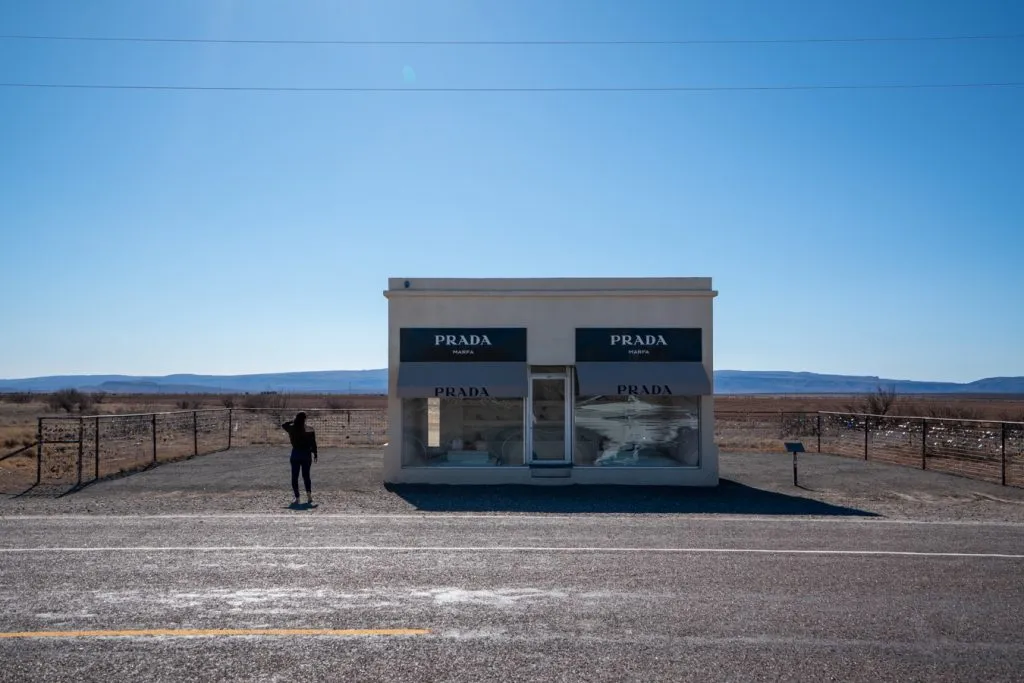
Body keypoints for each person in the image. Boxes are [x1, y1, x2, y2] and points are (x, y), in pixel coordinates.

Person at [282, 411, 318, 505]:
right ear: (305, 419)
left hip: (296, 453)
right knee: (306, 476)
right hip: (306, 454)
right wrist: (315, 453)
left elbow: (284, 425)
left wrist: (293, 420)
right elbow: (313, 442)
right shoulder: (310, 429)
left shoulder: (292, 428)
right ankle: (309, 495)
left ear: (296, 418)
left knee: (295, 476)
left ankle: (297, 497)